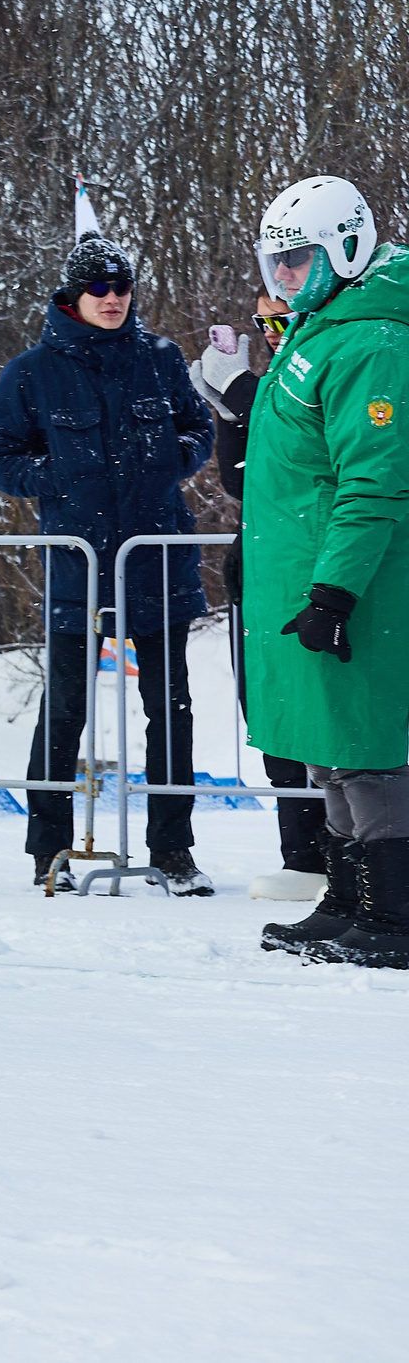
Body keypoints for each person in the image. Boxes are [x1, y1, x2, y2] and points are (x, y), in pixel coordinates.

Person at [0, 230, 216, 894]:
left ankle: (172, 849)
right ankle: (46, 845)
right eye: (99, 288)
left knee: (171, 709)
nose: (113, 299)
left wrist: (174, 459)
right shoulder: (31, 371)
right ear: (73, 296)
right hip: (79, 566)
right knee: (65, 708)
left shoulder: (161, 359)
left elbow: (198, 430)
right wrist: (56, 475)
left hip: (155, 559)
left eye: (122, 287)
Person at [238, 178, 409, 967]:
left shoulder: (371, 340)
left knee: (366, 742)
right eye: (276, 266)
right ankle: (346, 897)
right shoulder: (320, 329)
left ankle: (392, 911)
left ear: (345, 246)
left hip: (355, 580)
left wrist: (335, 589)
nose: (285, 282)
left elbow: (372, 482)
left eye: (299, 263)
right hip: (303, 573)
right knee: (326, 740)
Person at [189, 286, 322, 898]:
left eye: (283, 317)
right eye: (264, 318)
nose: (272, 329)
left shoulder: (329, 371)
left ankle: (350, 855)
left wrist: (245, 394)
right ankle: (303, 857)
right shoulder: (269, 388)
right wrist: (229, 411)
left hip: (320, 571)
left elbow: (307, 465)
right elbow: (242, 481)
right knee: (270, 713)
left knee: (327, 715)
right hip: (263, 572)